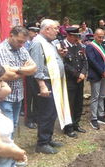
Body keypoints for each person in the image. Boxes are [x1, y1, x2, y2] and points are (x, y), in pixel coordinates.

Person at [29, 19, 72, 154]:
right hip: (45, 83)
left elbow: (51, 61)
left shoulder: (49, 42)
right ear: (47, 29)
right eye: (55, 28)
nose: (58, 31)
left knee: (53, 111)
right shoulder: (37, 43)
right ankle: (42, 143)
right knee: (46, 112)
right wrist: (42, 85)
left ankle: (48, 139)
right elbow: (37, 67)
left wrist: (61, 56)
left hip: (53, 81)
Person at [0, 26, 37, 135]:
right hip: (4, 96)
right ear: (11, 35)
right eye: (19, 41)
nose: (21, 44)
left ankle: (9, 148)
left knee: (14, 125)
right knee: (6, 128)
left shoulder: (22, 49)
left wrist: (16, 69)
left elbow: (34, 68)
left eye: (24, 42)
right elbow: (5, 75)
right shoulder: (0, 50)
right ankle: (5, 150)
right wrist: (24, 71)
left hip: (18, 95)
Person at [62, 27, 88, 137]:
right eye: (75, 36)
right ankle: (68, 127)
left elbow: (84, 61)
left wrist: (82, 73)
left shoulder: (79, 45)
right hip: (69, 80)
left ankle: (76, 123)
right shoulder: (62, 46)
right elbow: (64, 64)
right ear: (69, 35)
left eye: (77, 36)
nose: (77, 38)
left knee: (78, 102)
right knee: (70, 104)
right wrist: (77, 74)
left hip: (80, 80)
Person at [86, 29, 105, 130]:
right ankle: (94, 118)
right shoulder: (90, 46)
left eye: (103, 37)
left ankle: (101, 115)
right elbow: (92, 61)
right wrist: (102, 71)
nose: (101, 39)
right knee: (95, 97)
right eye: (99, 37)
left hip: (104, 75)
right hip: (96, 75)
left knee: (102, 96)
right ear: (95, 36)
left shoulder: (104, 46)